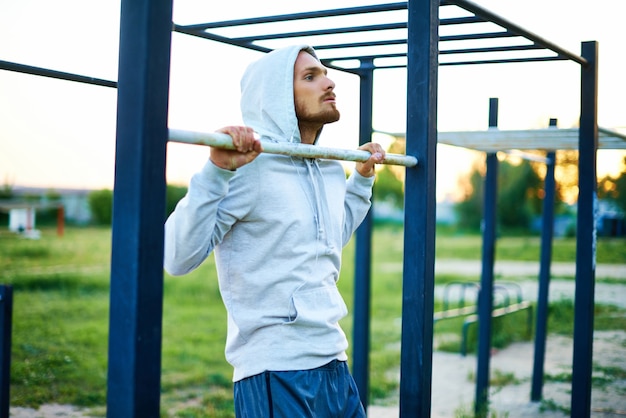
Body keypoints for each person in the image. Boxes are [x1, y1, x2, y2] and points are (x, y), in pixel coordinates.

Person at [164, 44, 385, 417]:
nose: (329, 83)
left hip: (333, 358)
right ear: (277, 95)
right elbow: (176, 257)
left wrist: (361, 182)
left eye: (325, 73)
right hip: (274, 368)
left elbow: (332, 238)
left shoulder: (329, 166)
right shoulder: (249, 166)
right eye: (310, 77)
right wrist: (217, 171)